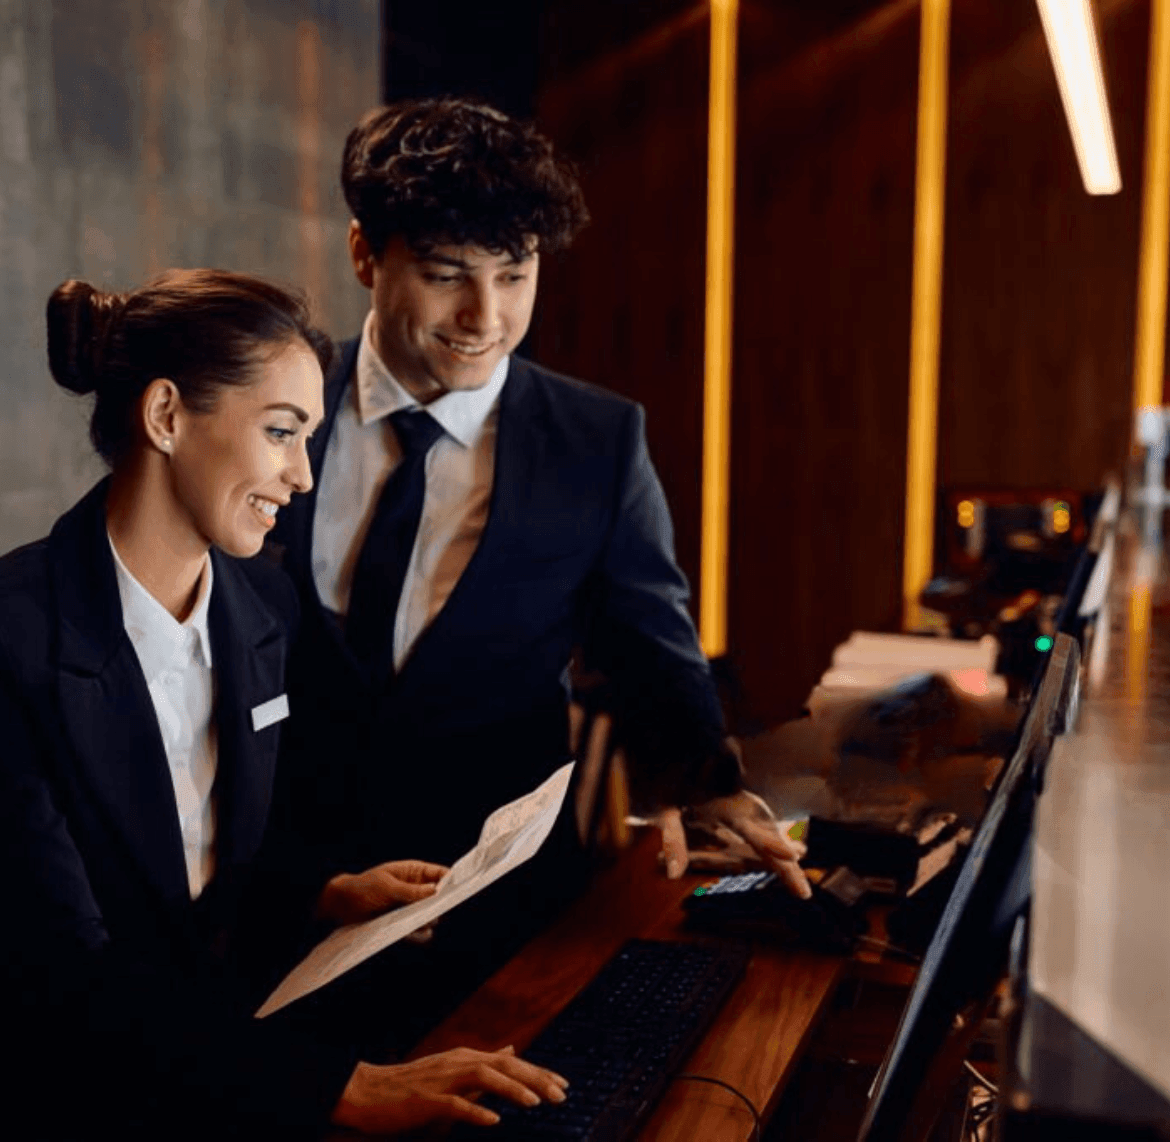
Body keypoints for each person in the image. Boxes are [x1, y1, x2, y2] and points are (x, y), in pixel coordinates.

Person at [269, 95, 810, 1039]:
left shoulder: (595, 441)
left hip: (504, 917)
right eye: (447, 277)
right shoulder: (275, 406)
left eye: (515, 277)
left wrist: (707, 780)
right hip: (284, 904)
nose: (486, 317)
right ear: (366, 255)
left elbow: (650, 643)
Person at [0, 269, 568, 1140]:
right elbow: (75, 976)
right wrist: (345, 1087)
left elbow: (203, 866)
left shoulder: (264, 604)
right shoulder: (14, 638)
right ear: (164, 417)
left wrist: (323, 894)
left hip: (224, 1064)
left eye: (306, 438)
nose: (302, 475)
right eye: (280, 433)